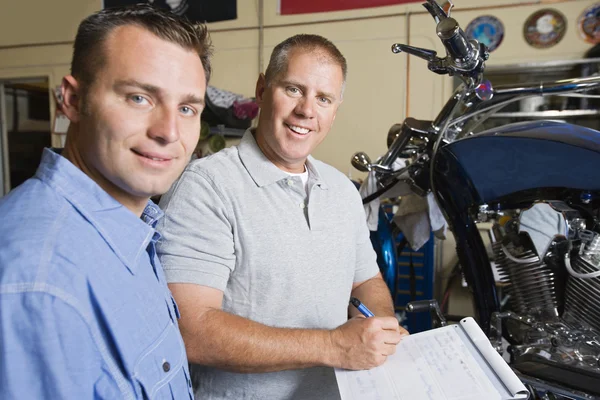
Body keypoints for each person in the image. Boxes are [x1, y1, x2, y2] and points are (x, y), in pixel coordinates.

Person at [157, 34, 407, 399]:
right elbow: (188, 328)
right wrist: (333, 346)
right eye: (293, 89)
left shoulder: (341, 191)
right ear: (262, 89)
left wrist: (380, 327)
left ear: (334, 112)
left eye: (323, 99)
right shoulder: (206, 187)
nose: (307, 110)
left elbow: (365, 282)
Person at [0, 5, 212, 399]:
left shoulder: (131, 232)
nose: (168, 132)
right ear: (72, 100)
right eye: (139, 98)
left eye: (186, 108)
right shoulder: (37, 282)